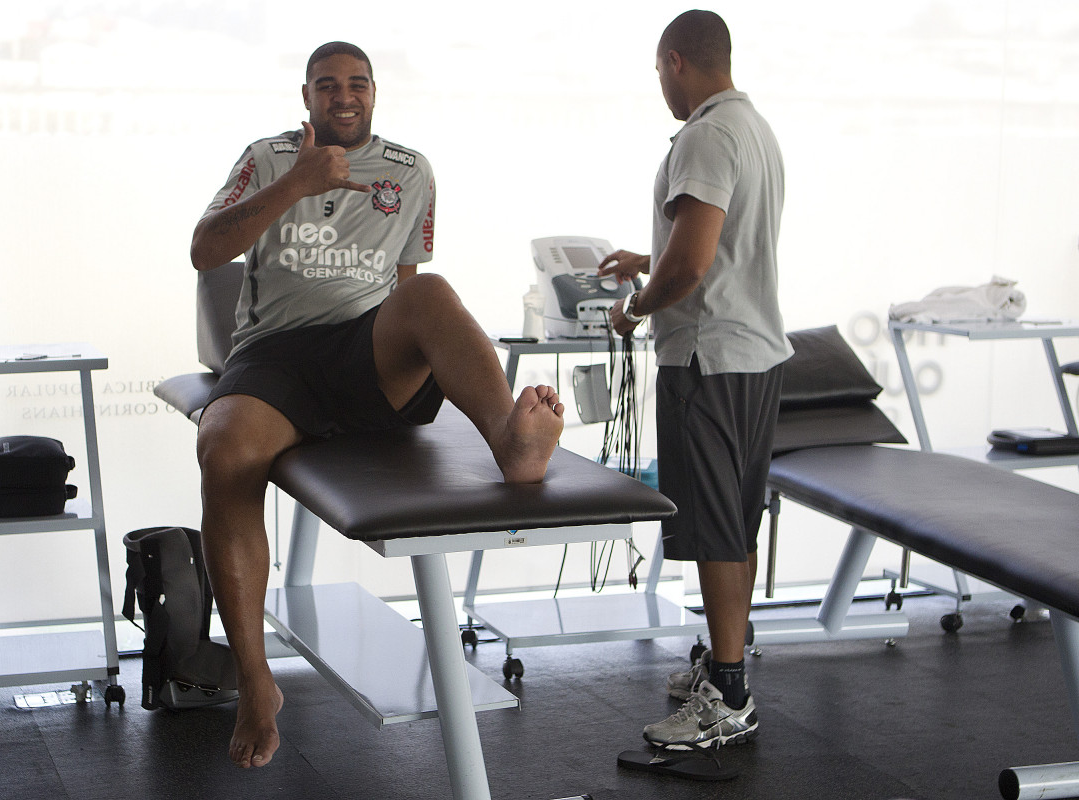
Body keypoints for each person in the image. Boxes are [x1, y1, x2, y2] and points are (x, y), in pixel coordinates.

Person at [190, 41, 565, 769]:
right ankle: (254, 678)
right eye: (327, 85)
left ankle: (511, 442)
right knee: (224, 451)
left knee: (425, 292)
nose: (344, 96)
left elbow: (405, 276)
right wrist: (297, 184)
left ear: (372, 93)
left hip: (366, 353)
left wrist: (405, 350)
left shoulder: (410, 171)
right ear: (306, 97)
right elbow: (206, 250)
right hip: (277, 355)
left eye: (357, 84)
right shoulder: (268, 157)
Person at [597, 11, 791, 750]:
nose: (661, 88)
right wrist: (643, 258)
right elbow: (724, 246)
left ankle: (728, 695)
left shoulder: (705, 135)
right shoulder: (754, 127)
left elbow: (693, 266)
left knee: (713, 527)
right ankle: (724, 662)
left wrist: (632, 307)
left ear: (675, 61)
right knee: (735, 520)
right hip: (754, 355)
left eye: (658, 73)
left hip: (707, 358)